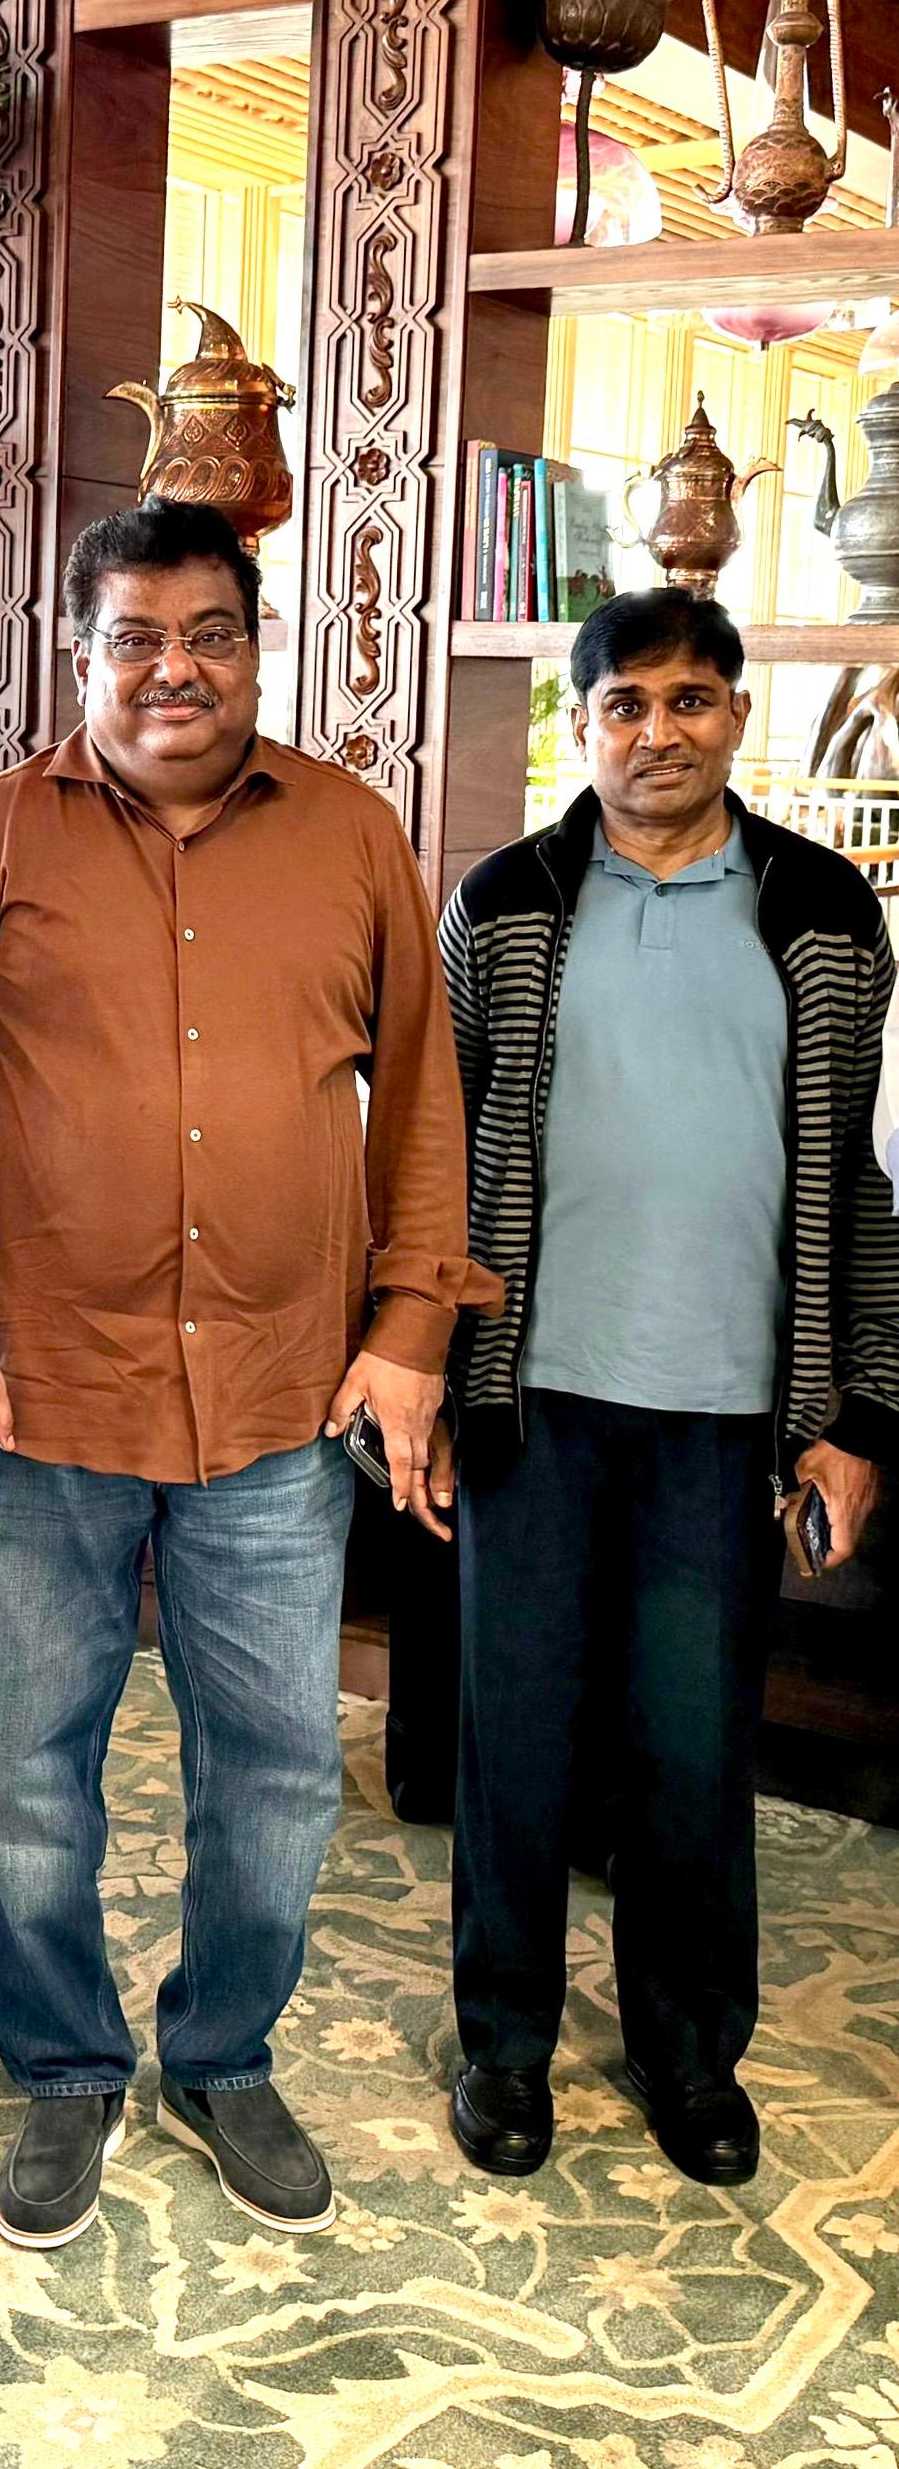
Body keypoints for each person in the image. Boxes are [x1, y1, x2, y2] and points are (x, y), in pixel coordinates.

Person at [0, 498, 493, 2253]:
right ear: (80, 656)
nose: (173, 671)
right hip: (42, 1392)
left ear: (252, 646)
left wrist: (409, 1332)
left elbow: (421, 1101)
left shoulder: (350, 836)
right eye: (133, 638)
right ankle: (64, 2062)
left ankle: (222, 2054)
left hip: (282, 1398)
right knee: (25, 1763)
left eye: (207, 634)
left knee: (277, 1762)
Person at [440, 589, 899, 2188]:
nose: (657, 733)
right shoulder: (504, 904)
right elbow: (438, 1158)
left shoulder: (822, 911)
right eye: (624, 705)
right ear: (578, 727)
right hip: (531, 1400)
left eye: (689, 700)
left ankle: (689, 2053)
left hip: (727, 1413)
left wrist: (854, 1415)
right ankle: (501, 2046)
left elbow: (849, 1183)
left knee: (691, 1750)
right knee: (513, 1743)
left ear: (735, 718)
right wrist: (419, 1370)